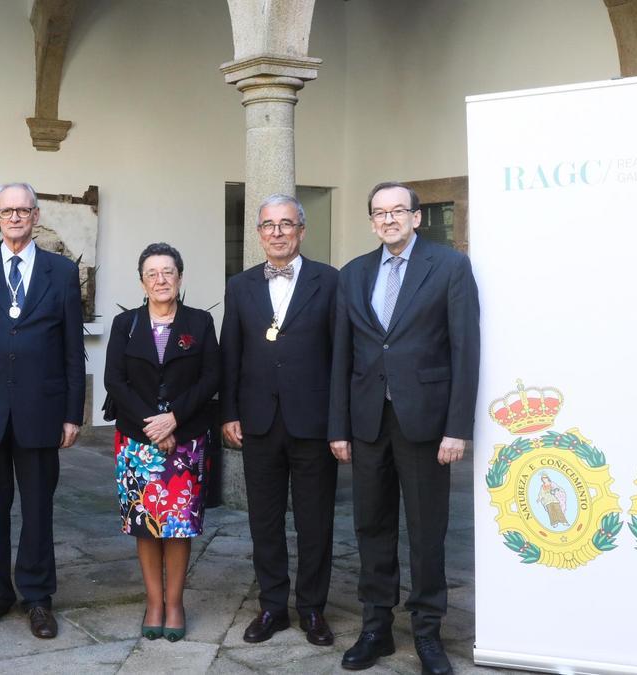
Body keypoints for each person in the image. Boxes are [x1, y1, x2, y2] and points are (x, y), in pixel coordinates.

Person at [329, 182, 480, 675]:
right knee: (371, 526)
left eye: (399, 211)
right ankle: (376, 628)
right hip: (368, 420)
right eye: (380, 212)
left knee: (426, 530)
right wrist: (339, 427)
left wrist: (457, 428)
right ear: (371, 221)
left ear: (417, 217)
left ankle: (428, 633)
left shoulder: (450, 267)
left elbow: (465, 350)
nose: (389, 219)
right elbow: (342, 359)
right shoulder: (353, 275)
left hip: (426, 423)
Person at [0, 182, 85, 639]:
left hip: (41, 410)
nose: (15, 218)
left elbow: (71, 348)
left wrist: (72, 413)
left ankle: (38, 597)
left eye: (23, 210)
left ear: (36, 215)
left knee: (39, 509)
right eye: (6, 211)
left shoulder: (61, 272)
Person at [220, 194, 338, 646]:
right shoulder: (240, 284)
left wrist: (338, 422)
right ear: (259, 233)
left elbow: (340, 353)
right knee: (264, 521)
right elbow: (230, 350)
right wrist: (228, 411)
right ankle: (272, 606)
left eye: (286, 224)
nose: (277, 232)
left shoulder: (330, 282)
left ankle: (312, 609)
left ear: (301, 231)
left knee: (315, 522)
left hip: (313, 422)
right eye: (268, 225)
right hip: (257, 421)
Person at [104, 243, 219, 643]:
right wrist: (153, 425)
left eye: (168, 272)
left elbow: (210, 378)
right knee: (146, 525)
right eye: (152, 273)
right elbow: (115, 381)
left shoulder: (199, 323)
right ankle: (154, 602)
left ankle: (175, 604)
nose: (160, 279)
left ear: (180, 277)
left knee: (178, 526)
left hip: (186, 441)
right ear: (142, 281)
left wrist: (175, 419)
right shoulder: (127, 325)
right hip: (137, 440)